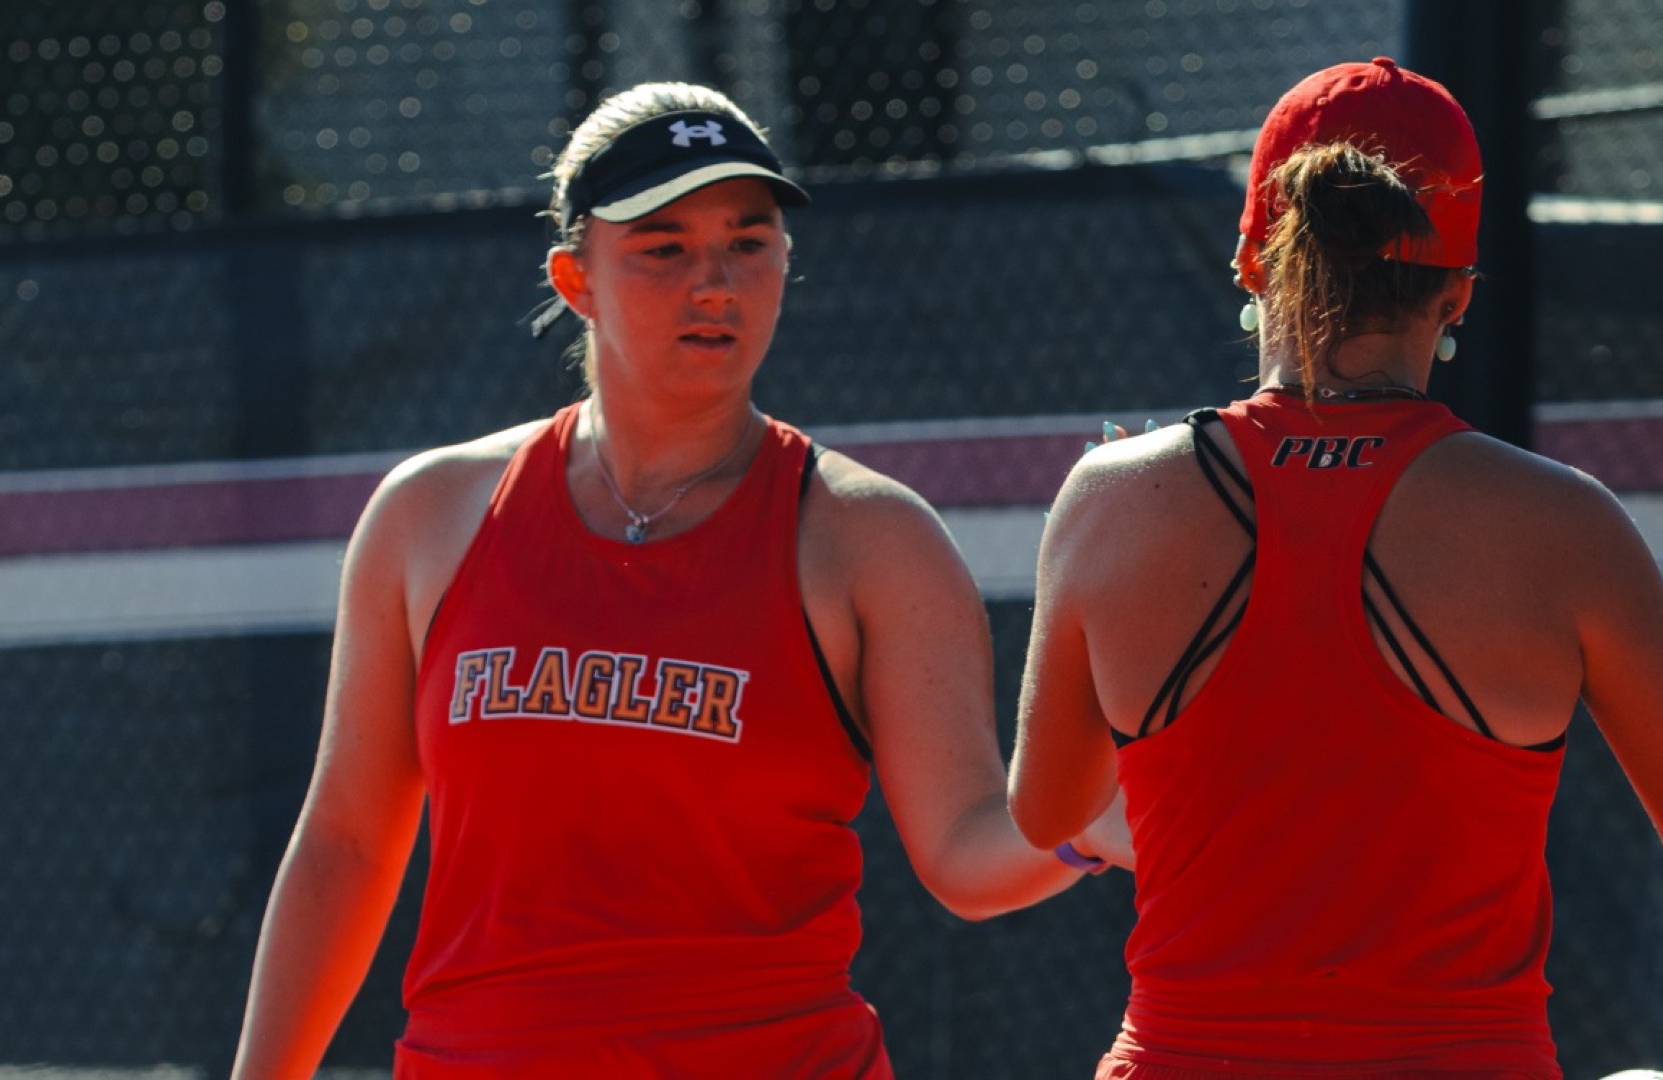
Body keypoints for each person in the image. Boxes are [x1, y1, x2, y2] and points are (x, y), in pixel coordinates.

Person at [229, 81, 1124, 1080]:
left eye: (750, 242)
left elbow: (967, 854)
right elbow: (346, 845)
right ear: (576, 278)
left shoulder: (872, 538)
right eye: (664, 247)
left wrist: (1095, 827)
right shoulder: (427, 515)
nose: (716, 283)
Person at [1006, 57, 1663, 1079]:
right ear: (1459, 292)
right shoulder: (1562, 526)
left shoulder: (1108, 498)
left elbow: (1045, 811)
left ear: (1254, 259)